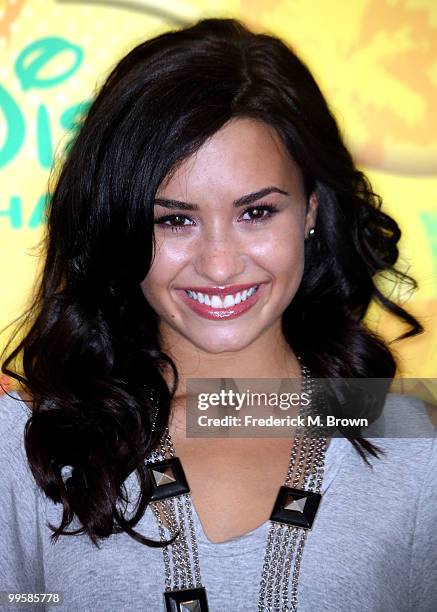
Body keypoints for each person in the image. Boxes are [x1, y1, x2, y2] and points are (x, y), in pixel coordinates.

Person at [0, 16, 436, 612]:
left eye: (256, 213)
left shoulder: (415, 442)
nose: (221, 264)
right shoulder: (29, 441)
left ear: (310, 209)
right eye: (174, 219)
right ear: (121, 226)